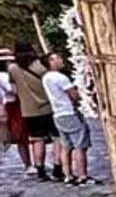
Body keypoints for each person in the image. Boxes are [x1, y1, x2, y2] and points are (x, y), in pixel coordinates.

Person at [44, 51, 94, 185]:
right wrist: (81, 92)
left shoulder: (46, 77)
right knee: (80, 144)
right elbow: (73, 95)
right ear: (51, 61)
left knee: (66, 145)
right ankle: (82, 175)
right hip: (69, 112)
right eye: (57, 58)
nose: (61, 60)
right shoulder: (60, 78)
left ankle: (68, 175)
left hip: (58, 114)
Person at [9, 45, 56, 180]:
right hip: (47, 107)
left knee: (36, 140)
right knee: (56, 138)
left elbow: (13, 89)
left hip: (28, 110)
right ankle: (58, 167)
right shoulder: (40, 66)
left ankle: (39, 169)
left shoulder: (13, 69)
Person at [0, 60, 26, 172]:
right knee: (21, 135)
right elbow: (11, 90)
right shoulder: (4, 76)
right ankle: (28, 162)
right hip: (13, 104)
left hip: (8, 104)